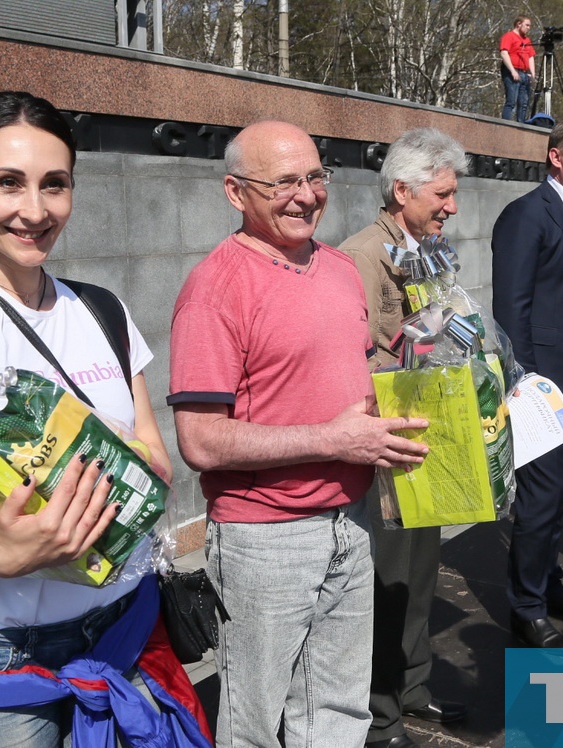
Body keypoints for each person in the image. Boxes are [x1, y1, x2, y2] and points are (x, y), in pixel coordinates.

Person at [0, 91, 210, 747]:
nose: (35, 211)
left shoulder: (104, 312)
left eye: (54, 185)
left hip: (120, 628)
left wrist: (135, 466)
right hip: (3, 655)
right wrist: (4, 555)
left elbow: (152, 447)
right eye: (8, 183)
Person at [167, 120, 430, 748]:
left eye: (316, 177)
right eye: (284, 181)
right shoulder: (214, 290)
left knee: (340, 714)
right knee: (253, 725)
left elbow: (353, 376)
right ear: (236, 193)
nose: (306, 195)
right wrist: (333, 440)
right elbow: (201, 440)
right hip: (265, 539)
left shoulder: (339, 269)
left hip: (353, 521)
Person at [338, 127, 468, 748]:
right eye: (442, 194)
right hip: (388, 440)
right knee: (386, 583)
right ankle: (379, 715)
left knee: (422, 571)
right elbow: (351, 357)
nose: (451, 206)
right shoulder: (364, 255)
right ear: (402, 190)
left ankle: (412, 687)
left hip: (430, 432)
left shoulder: (433, 250)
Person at [491, 118, 563, 648]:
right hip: (542, 388)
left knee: (558, 495)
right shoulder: (526, 215)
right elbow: (511, 311)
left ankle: (549, 584)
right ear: (555, 157)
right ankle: (527, 606)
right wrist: (528, 385)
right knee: (540, 500)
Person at [499, 16, 537, 122]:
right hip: (512, 71)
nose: (529, 28)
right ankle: (506, 125)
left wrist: (532, 74)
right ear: (519, 24)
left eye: (530, 26)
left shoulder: (527, 40)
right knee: (511, 101)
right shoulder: (509, 36)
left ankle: (521, 125)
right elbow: (504, 53)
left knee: (524, 103)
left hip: (524, 73)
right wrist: (512, 70)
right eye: (527, 25)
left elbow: (530, 56)